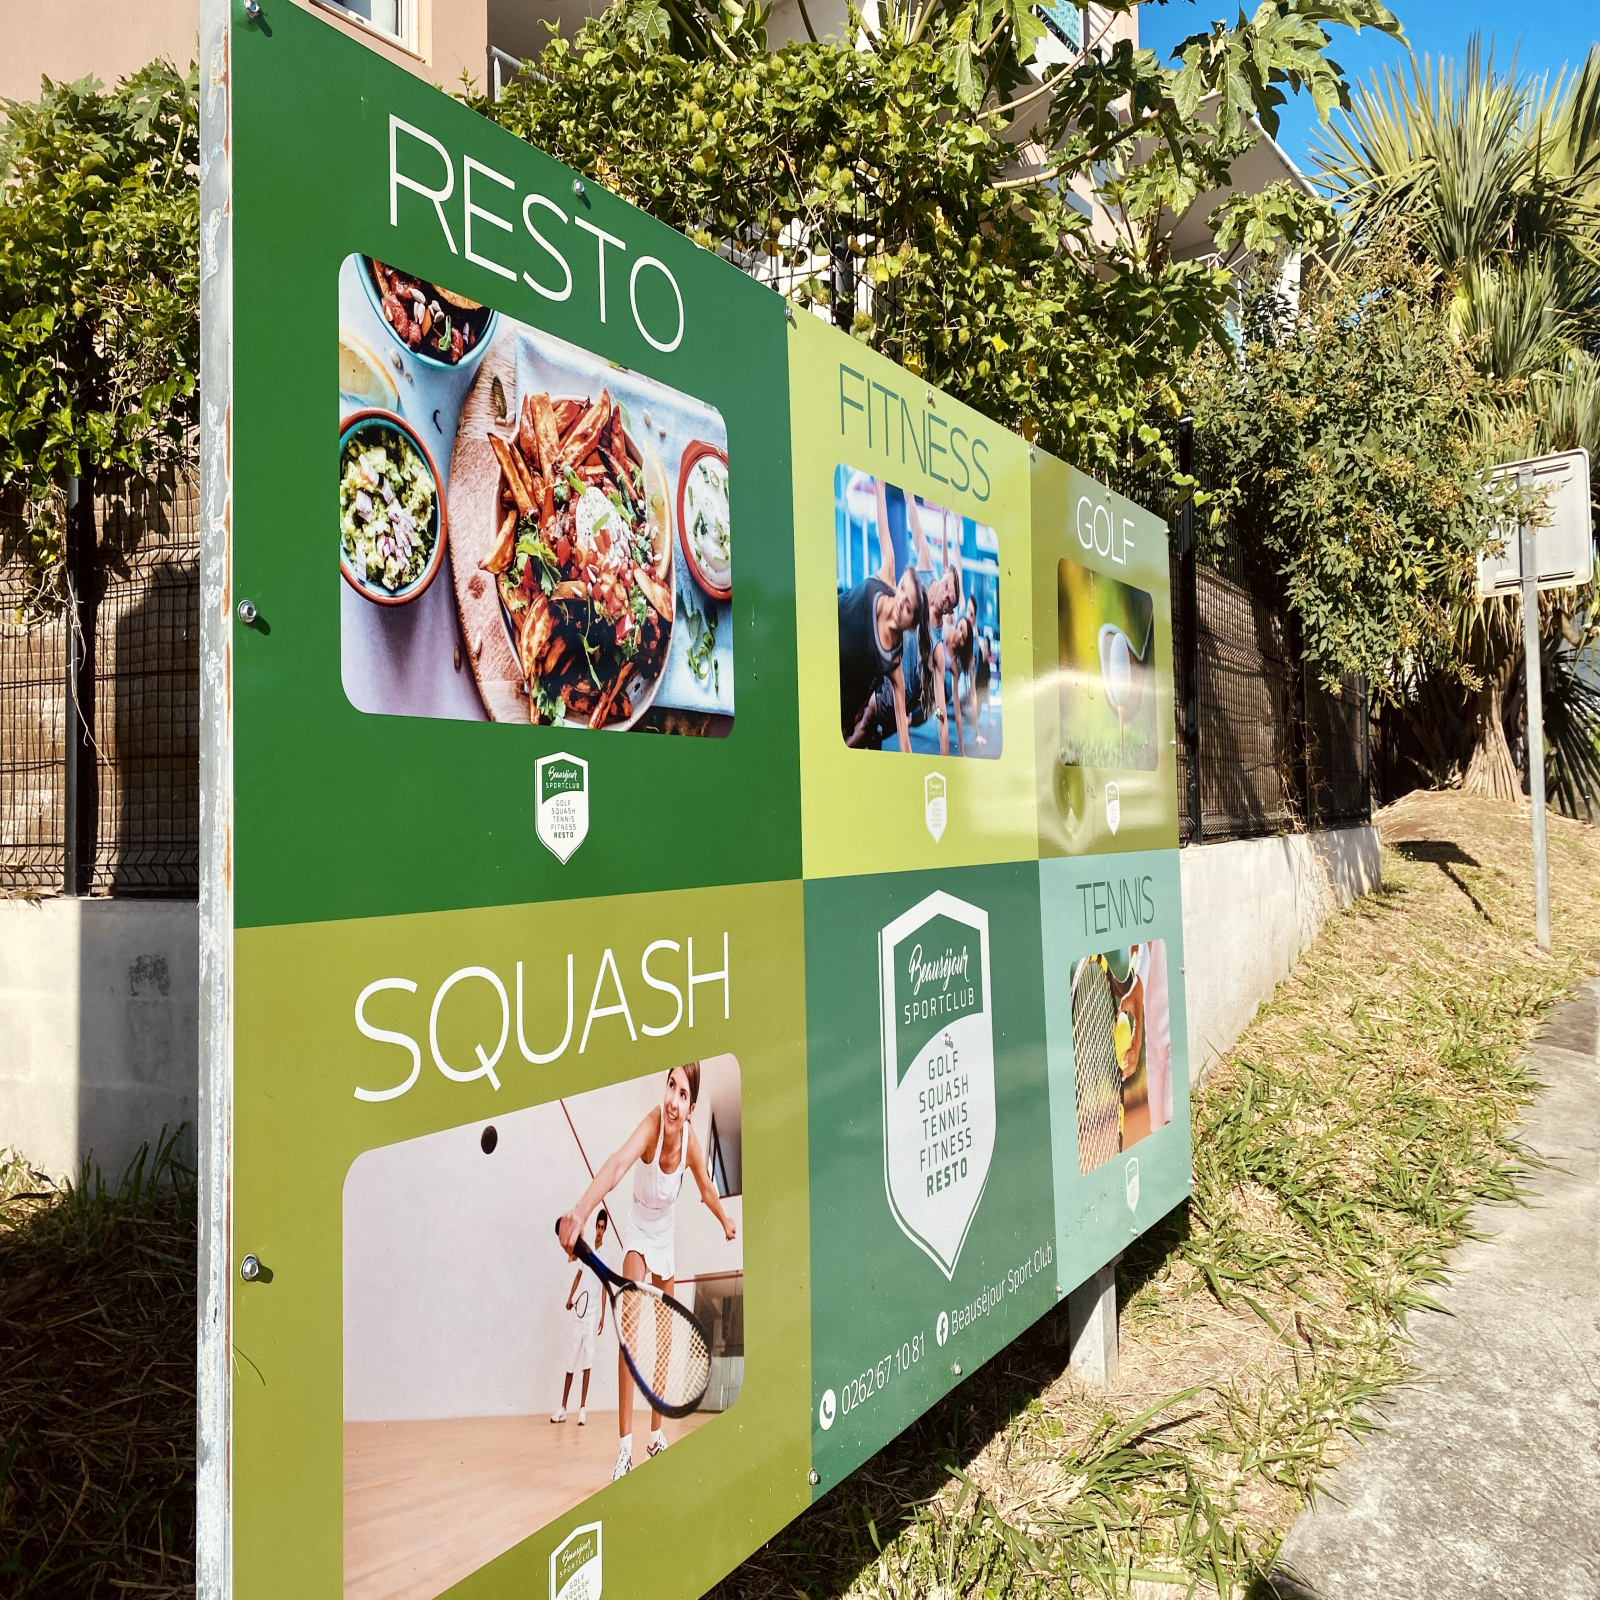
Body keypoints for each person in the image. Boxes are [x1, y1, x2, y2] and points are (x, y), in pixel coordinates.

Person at [557, 1062, 736, 1482]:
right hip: (639, 1230)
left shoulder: (691, 1145)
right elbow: (618, 1163)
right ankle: (625, 1450)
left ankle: (655, 1437)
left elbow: (707, 1189)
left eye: (683, 1095)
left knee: (664, 1343)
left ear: (691, 1108)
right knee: (631, 1337)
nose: (672, 1101)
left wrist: (725, 1219)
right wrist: (581, 1211)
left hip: (664, 1238)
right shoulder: (652, 1125)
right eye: (671, 1086)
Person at [840, 484, 963, 752]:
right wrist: (909, 496)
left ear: (950, 611)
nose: (943, 597)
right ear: (942, 576)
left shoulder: (938, 644)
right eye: (945, 589)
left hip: (898, 693)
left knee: (869, 719)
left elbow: (941, 712)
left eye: (949, 601)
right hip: (879, 669)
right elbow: (916, 529)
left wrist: (950, 745)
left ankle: (853, 743)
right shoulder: (926, 569)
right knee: (858, 716)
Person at [551, 1208, 610, 1426]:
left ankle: (582, 1409)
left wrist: (603, 1314)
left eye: (603, 1228)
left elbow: (604, 1286)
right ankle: (562, 1408)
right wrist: (570, 1297)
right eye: (598, 1226)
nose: (599, 1230)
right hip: (579, 1313)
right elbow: (578, 1275)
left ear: (605, 1230)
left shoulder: (606, 1255)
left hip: (592, 1315)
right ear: (595, 1227)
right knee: (571, 1359)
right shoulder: (586, 1250)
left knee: (588, 1360)